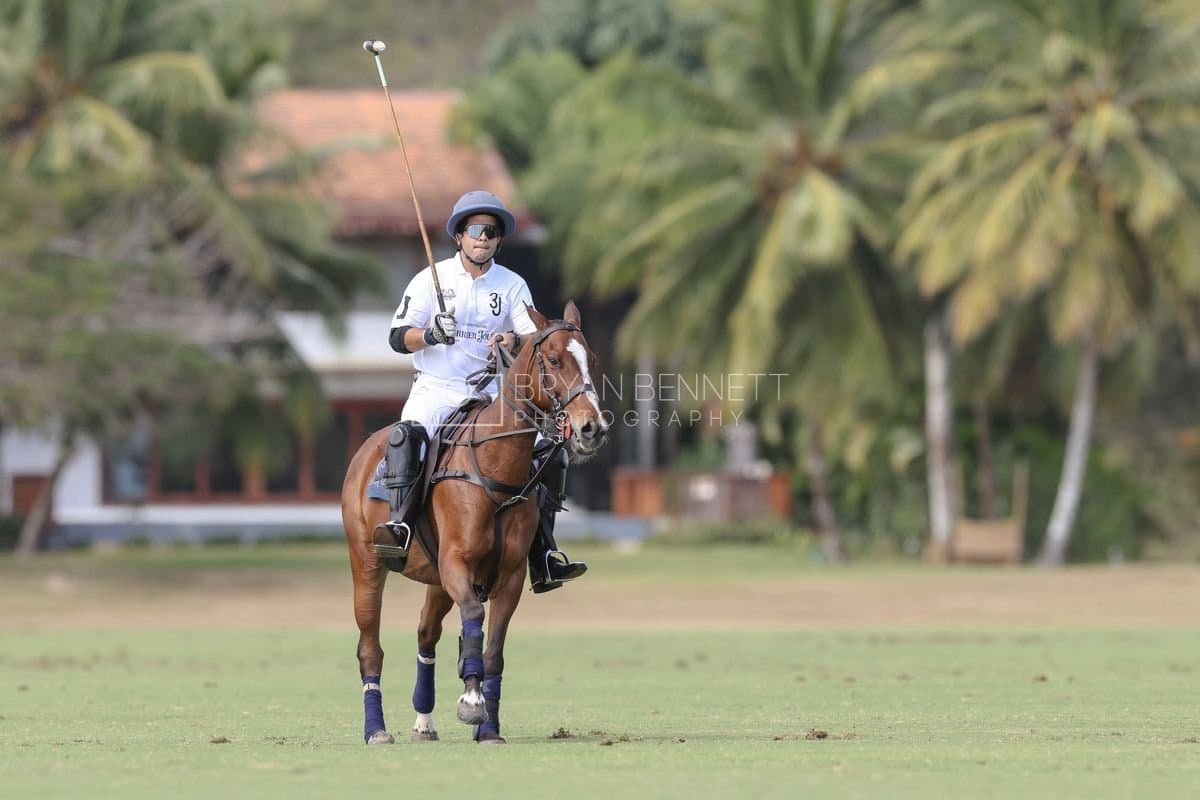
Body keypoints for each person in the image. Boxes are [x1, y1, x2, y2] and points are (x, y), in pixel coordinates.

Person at [379, 190, 587, 593]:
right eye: (475, 229)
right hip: (437, 388)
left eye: (491, 231)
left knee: (549, 449)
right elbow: (396, 338)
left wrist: (510, 339)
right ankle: (400, 526)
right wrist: (431, 334)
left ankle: (543, 551)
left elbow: (536, 342)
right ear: (459, 235)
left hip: (491, 392)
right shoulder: (430, 279)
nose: (483, 237)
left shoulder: (512, 285)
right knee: (408, 437)